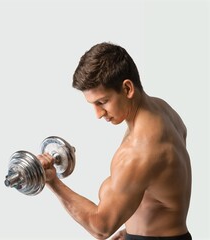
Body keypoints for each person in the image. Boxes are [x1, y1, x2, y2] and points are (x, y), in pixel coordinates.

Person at [37, 42, 192, 240]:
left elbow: (100, 228)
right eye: (93, 105)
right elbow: (160, 188)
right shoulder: (163, 110)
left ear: (127, 88)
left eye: (102, 102)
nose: (98, 114)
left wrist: (52, 181)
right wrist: (132, 230)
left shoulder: (139, 151)